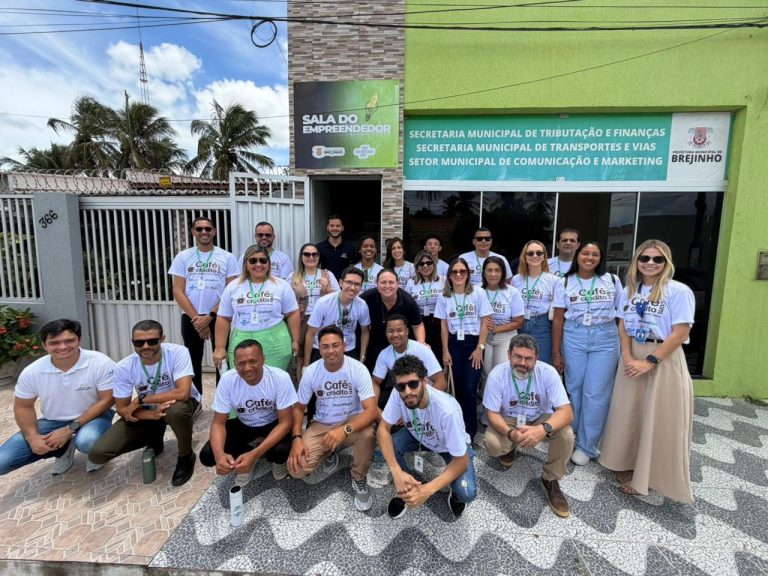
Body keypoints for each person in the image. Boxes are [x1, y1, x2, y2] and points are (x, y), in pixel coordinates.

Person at [599, 240, 695, 502]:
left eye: (657, 259)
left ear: (667, 262)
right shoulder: (631, 290)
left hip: (662, 357)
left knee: (658, 417)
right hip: (633, 355)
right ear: (636, 261)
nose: (650, 263)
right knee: (629, 413)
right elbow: (622, 325)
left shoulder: (678, 291)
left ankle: (649, 476)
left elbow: (680, 333)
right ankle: (627, 463)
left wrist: (649, 361)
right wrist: (628, 356)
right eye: (645, 258)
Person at [89, 320, 200, 486]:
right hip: (148, 410)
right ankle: (154, 435)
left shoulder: (177, 352)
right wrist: (150, 414)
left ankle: (185, 456)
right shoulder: (124, 366)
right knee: (98, 453)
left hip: (179, 403)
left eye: (152, 341)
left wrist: (142, 399)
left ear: (162, 339)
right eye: (139, 342)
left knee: (176, 412)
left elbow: (182, 393)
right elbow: (122, 408)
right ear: (133, 342)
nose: (145, 346)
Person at [0, 319, 115, 476]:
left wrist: (69, 429)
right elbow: (23, 406)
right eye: (55, 342)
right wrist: (32, 437)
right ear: (44, 345)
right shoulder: (32, 371)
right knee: (3, 461)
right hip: (53, 420)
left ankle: (95, 454)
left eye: (69, 341)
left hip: (95, 416)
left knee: (88, 441)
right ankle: (62, 450)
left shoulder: (100, 363)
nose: (62, 347)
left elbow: (108, 399)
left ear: (79, 340)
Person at [483, 334, 574, 518]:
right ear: (509, 355)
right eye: (517, 357)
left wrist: (543, 429)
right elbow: (491, 413)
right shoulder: (497, 375)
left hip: (541, 418)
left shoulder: (548, 373)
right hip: (509, 418)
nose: (522, 363)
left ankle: (550, 479)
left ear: (536, 358)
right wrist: (510, 433)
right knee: (492, 443)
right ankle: (509, 447)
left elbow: (566, 412)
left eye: (528, 358)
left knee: (566, 435)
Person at [288, 326, 378, 512]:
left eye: (335, 345)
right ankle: (330, 451)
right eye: (325, 347)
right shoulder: (312, 371)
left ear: (344, 346)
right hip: (322, 423)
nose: (331, 351)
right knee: (297, 470)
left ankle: (359, 477)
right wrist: (296, 438)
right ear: (319, 349)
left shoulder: (358, 369)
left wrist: (343, 430)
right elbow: (298, 408)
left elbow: (371, 412)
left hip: (351, 421)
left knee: (368, 434)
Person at [377, 355, 477, 519]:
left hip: (448, 445)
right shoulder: (399, 394)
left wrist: (427, 490)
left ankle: (456, 496)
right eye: (401, 386)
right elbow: (383, 430)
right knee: (388, 446)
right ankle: (406, 488)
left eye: (413, 384)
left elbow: (461, 460)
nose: (407, 392)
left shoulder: (447, 411)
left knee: (467, 492)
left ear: (424, 381)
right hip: (418, 434)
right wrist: (396, 472)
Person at [552, 241, 622, 466]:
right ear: (577, 256)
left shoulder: (611, 280)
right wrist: (556, 352)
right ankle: (570, 438)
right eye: (585, 253)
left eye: (595, 254)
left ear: (600, 258)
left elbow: (621, 315)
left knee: (596, 393)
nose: (589, 257)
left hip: (605, 338)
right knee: (574, 388)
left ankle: (587, 446)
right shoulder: (564, 282)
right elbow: (559, 319)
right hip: (574, 336)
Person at [200, 339, 296, 486]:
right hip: (244, 423)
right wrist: (220, 456)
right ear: (234, 363)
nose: (247, 368)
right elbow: (218, 423)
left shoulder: (280, 378)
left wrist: (255, 454)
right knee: (208, 455)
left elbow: (286, 422)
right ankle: (243, 457)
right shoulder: (227, 379)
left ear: (263, 359)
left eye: (253, 361)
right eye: (241, 363)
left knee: (281, 451)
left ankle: (262, 455)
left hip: (273, 423)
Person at [169, 216, 238, 394]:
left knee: (222, 358)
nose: (204, 232)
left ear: (214, 231)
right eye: (199, 229)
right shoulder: (183, 257)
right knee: (192, 359)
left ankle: (224, 399)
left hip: (220, 317)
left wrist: (210, 317)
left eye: (208, 228)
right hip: (191, 317)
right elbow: (178, 291)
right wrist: (198, 319)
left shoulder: (227, 257)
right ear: (193, 232)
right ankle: (195, 400)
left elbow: (231, 291)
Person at [214, 245, 301, 371]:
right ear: (246, 264)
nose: (258, 264)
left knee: (273, 383)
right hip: (241, 341)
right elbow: (223, 317)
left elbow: (293, 313)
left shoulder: (281, 285)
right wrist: (220, 347)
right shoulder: (233, 286)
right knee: (244, 382)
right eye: (253, 260)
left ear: (269, 264)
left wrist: (295, 340)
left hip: (275, 342)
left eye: (263, 260)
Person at [435, 258, 492, 440]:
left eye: (462, 271)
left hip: (472, 344)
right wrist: (445, 350)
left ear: (468, 274)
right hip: (453, 344)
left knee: (469, 388)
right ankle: (455, 428)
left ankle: (470, 430)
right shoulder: (444, 296)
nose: (458, 275)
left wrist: (480, 348)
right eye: (454, 272)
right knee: (456, 388)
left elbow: (485, 322)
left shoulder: (478, 293)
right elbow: (443, 325)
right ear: (449, 275)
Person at [372, 315, 446, 414]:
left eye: (399, 330)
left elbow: (441, 382)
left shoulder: (421, 350)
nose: (395, 335)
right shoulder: (384, 354)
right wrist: (375, 407)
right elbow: (375, 382)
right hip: (403, 397)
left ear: (407, 331)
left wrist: (416, 407)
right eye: (390, 331)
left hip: (425, 401)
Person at [304, 267, 370, 372]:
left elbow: (365, 331)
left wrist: (362, 358)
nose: (352, 287)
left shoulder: (362, 305)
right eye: (349, 282)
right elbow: (310, 333)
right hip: (324, 349)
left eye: (357, 284)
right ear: (340, 283)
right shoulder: (323, 302)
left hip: (348, 348)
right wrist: (306, 366)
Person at [290, 242, 339, 379]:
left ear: (319, 257)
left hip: (323, 319)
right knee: (301, 357)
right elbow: (286, 301)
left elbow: (338, 297)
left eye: (314, 254)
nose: (310, 257)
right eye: (306, 254)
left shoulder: (327, 274)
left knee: (322, 353)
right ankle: (302, 388)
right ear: (301, 257)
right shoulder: (293, 276)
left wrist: (328, 288)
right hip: (302, 319)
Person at [360, 268, 425, 372]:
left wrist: (421, 347)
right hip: (376, 343)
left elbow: (418, 326)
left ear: (397, 284)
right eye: (383, 282)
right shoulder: (367, 298)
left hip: (401, 344)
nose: (387, 286)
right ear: (376, 284)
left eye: (391, 282)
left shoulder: (408, 301)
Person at [512, 240, 558, 364]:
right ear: (524, 256)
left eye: (539, 253)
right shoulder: (516, 280)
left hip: (541, 325)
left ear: (544, 257)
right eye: (530, 253)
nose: (535, 256)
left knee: (540, 363)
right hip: (520, 324)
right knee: (519, 363)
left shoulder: (553, 280)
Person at [481, 256, 525, 381]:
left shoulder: (512, 292)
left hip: (505, 337)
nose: (493, 274)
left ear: (503, 273)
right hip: (484, 338)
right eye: (489, 270)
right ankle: (485, 400)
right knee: (486, 374)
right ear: (484, 272)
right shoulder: (477, 290)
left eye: (497, 270)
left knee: (501, 373)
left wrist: (496, 329)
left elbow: (519, 322)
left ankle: (502, 401)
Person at [404, 250, 445, 363]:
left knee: (437, 354)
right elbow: (408, 305)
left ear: (434, 264)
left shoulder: (443, 280)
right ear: (417, 267)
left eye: (429, 262)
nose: (425, 266)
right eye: (421, 264)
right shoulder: (411, 283)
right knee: (421, 355)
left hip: (438, 322)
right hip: (419, 322)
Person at [317, 214, 358, 280]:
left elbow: (357, 267)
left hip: (345, 286)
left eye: (338, 226)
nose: (335, 228)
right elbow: (314, 268)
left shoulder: (350, 248)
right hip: (326, 285)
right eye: (332, 226)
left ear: (342, 228)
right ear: (327, 227)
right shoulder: (319, 247)